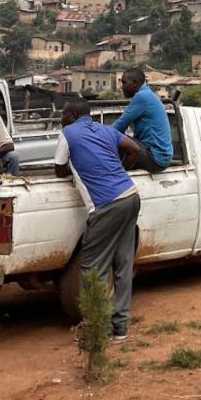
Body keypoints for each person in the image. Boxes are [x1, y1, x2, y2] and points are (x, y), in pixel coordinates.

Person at [55, 100, 141, 342]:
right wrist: (118, 172)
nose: (61, 118)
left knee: (93, 267)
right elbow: (134, 149)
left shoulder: (67, 133)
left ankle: (99, 327)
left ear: (71, 114)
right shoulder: (106, 130)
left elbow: (59, 169)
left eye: (63, 113)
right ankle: (120, 327)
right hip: (130, 195)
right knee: (123, 265)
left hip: (106, 205)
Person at [111, 69, 172, 173]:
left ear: (134, 83)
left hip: (155, 157)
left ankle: (116, 175)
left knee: (109, 138)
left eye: (124, 82)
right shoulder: (147, 94)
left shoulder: (142, 97)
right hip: (160, 157)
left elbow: (118, 126)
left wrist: (97, 135)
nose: (122, 86)